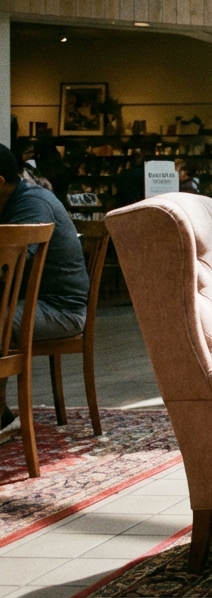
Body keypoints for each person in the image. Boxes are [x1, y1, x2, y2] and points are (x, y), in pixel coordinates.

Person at [0, 143, 90, 435]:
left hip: (60, 311)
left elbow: (8, 273)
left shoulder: (31, 205)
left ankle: (1, 417)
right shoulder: (11, 200)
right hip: (27, 304)